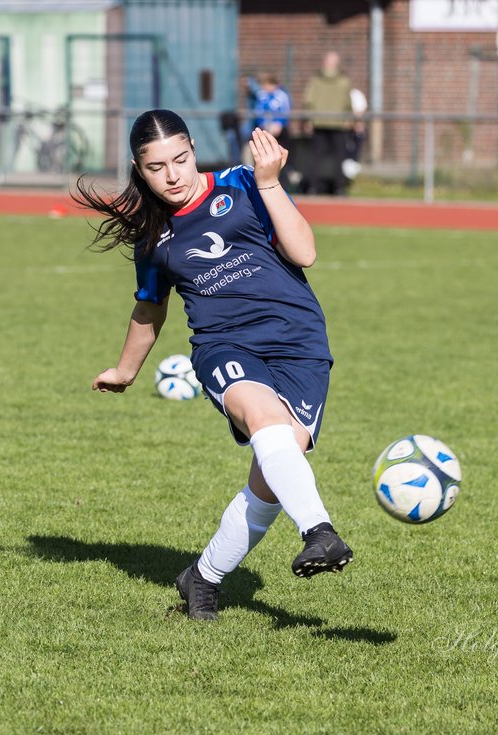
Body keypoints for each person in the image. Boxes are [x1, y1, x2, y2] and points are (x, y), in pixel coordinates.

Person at [75, 110, 353, 621]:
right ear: (140, 169)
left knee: (271, 480)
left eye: (180, 159)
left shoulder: (245, 183)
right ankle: (320, 531)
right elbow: (150, 307)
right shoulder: (153, 234)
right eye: (156, 167)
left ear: (194, 151)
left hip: (300, 345)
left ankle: (201, 579)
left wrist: (269, 183)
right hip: (224, 347)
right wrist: (125, 371)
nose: (172, 175)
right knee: (265, 423)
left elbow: (305, 252)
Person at [302, 51, 353, 195]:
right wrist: (349, 118)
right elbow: (348, 103)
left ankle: (312, 188)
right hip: (338, 123)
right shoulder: (344, 81)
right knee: (339, 158)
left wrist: (308, 120)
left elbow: (308, 101)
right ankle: (339, 188)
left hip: (319, 122)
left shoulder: (315, 81)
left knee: (315, 158)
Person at [250, 73, 291, 142]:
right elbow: (259, 112)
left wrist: (279, 124)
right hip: (264, 126)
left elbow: (285, 113)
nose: (267, 87)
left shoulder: (282, 95)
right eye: (265, 84)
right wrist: (263, 124)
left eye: (269, 84)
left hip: (279, 127)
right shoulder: (261, 95)